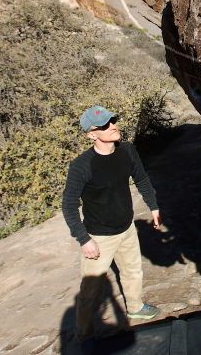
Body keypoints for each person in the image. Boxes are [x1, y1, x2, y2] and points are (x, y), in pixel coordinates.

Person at [62, 105, 162, 340]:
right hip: (99, 236)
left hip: (127, 228)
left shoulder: (127, 151)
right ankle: (83, 333)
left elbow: (141, 178)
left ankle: (135, 308)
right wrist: (84, 239)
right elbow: (68, 205)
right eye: (105, 124)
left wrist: (153, 206)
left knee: (133, 271)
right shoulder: (81, 166)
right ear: (91, 134)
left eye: (113, 120)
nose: (113, 125)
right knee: (91, 289)